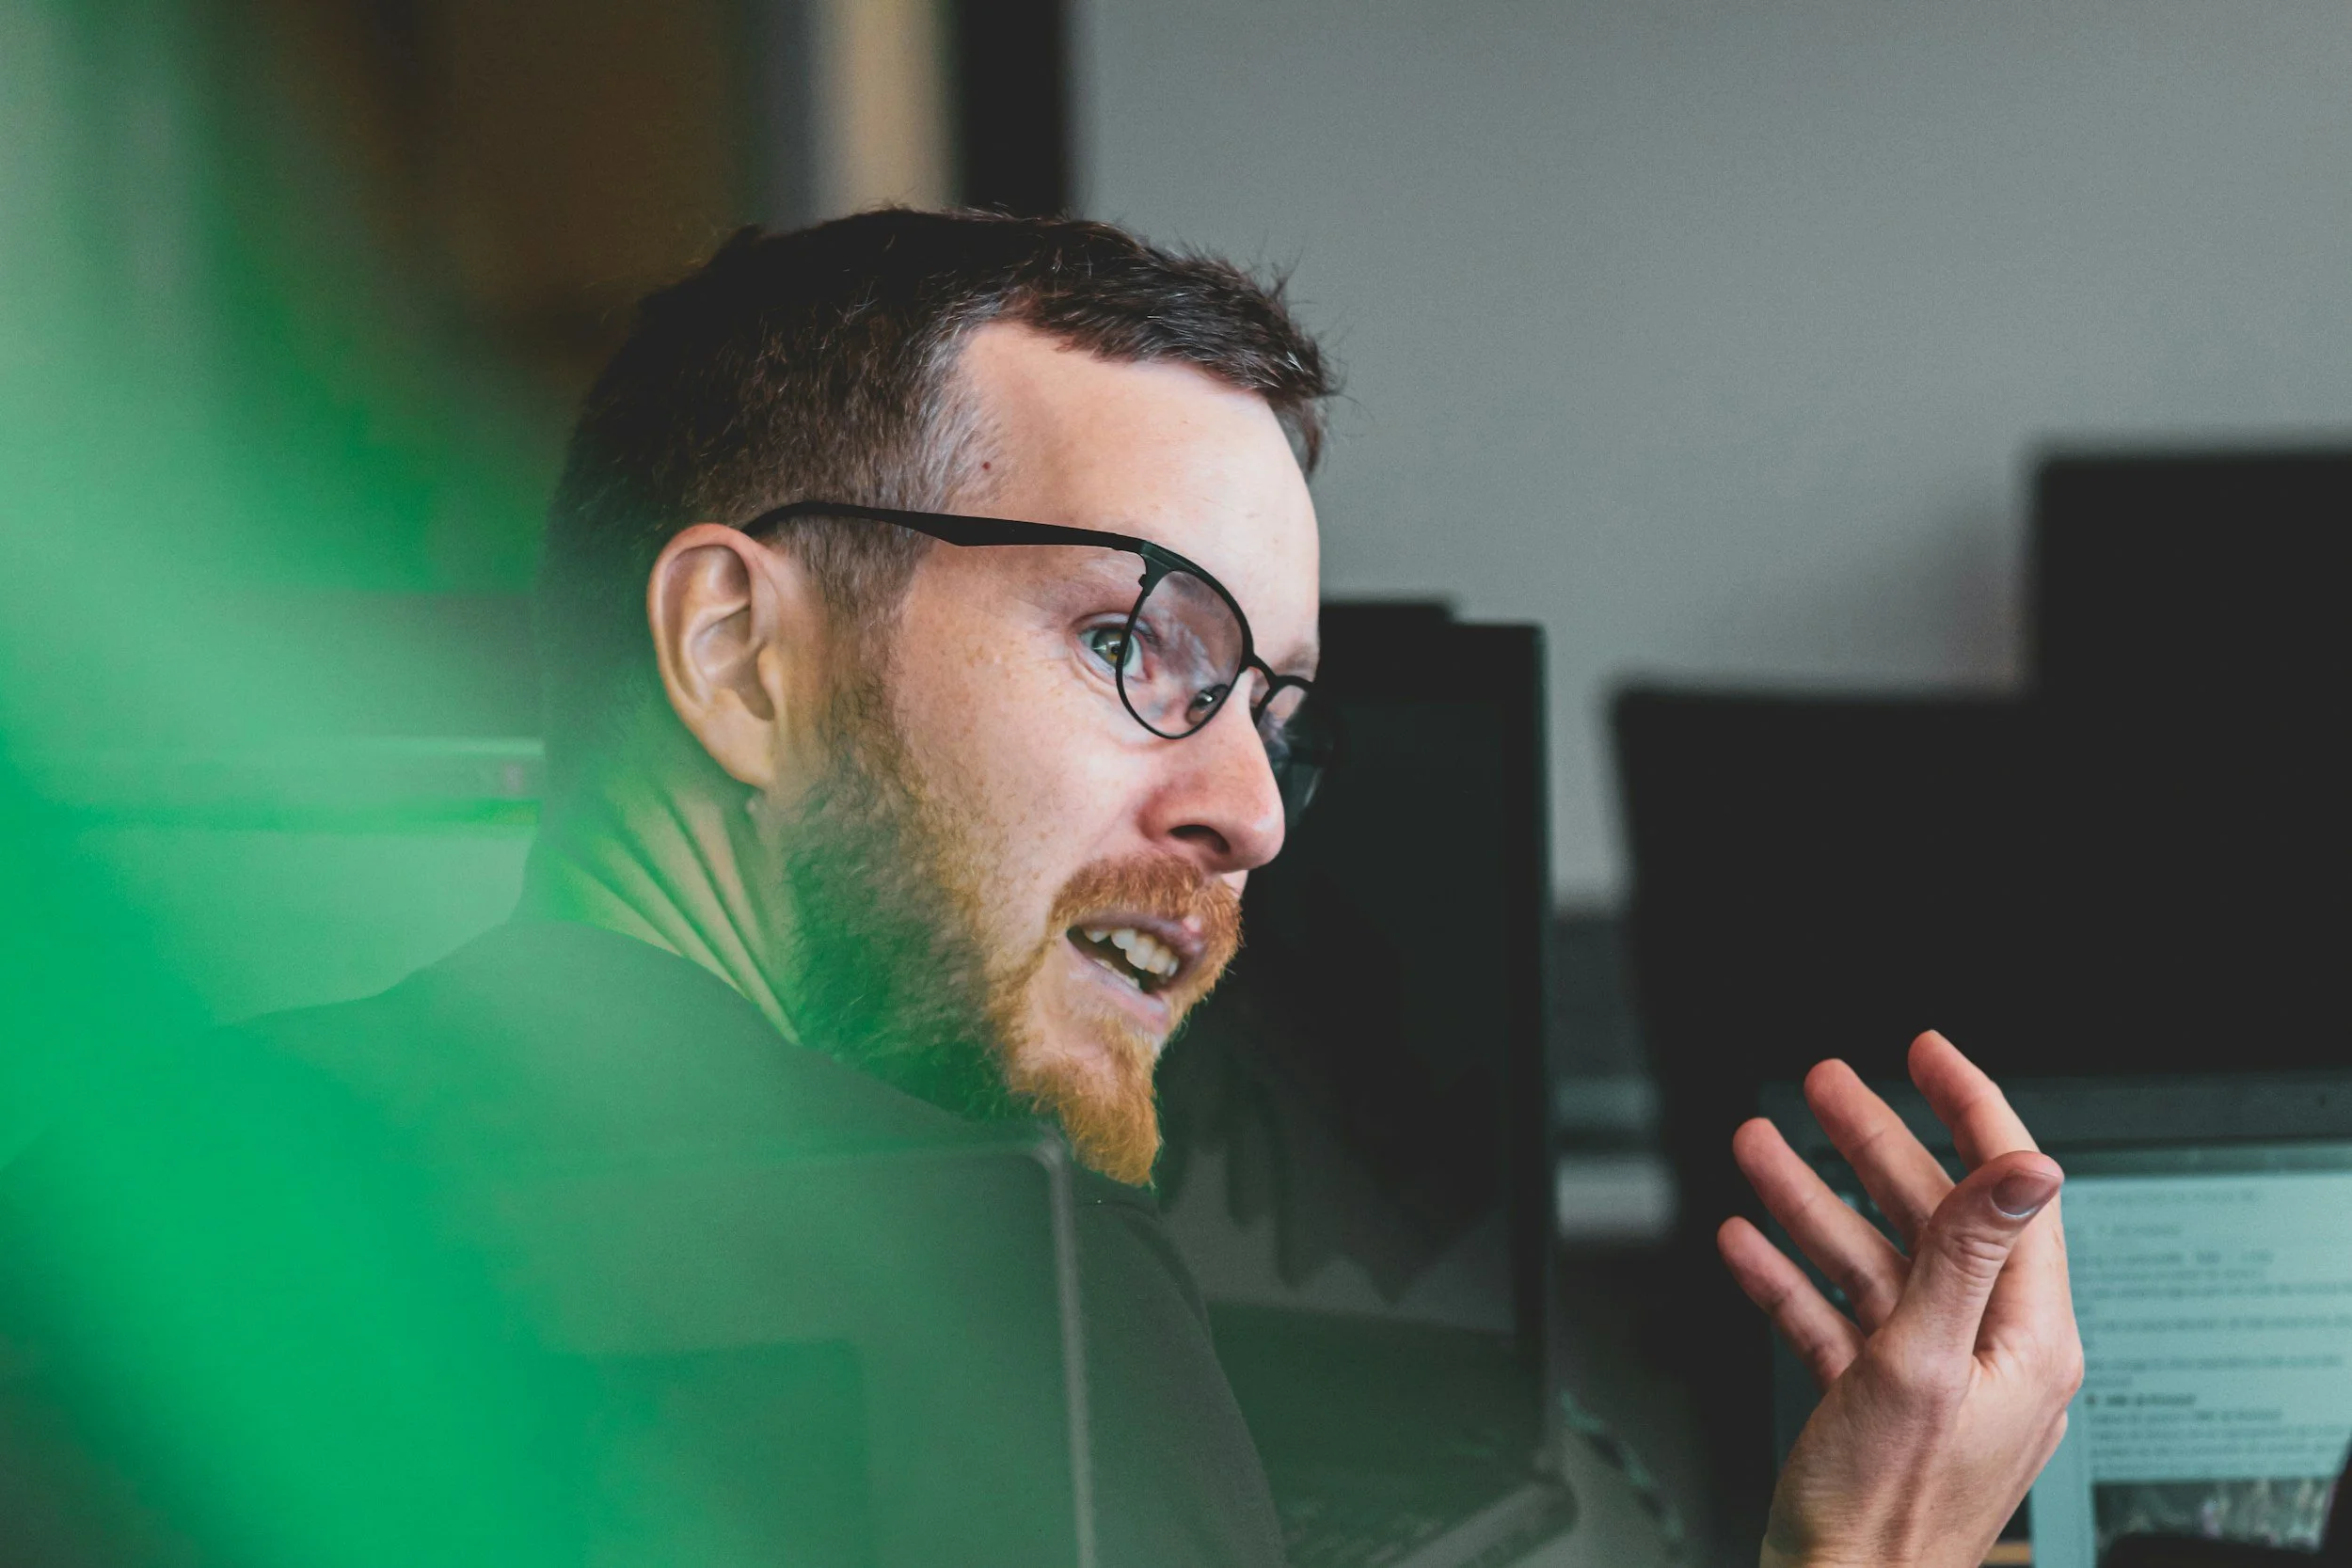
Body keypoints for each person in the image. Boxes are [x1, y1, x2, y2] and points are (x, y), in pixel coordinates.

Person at [0, 210, 2080, 1567]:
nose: (1249, 806)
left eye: (1270, 708)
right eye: (1138, 646)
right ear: (742, 655)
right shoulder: (994, 1281)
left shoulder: (126, 1231)